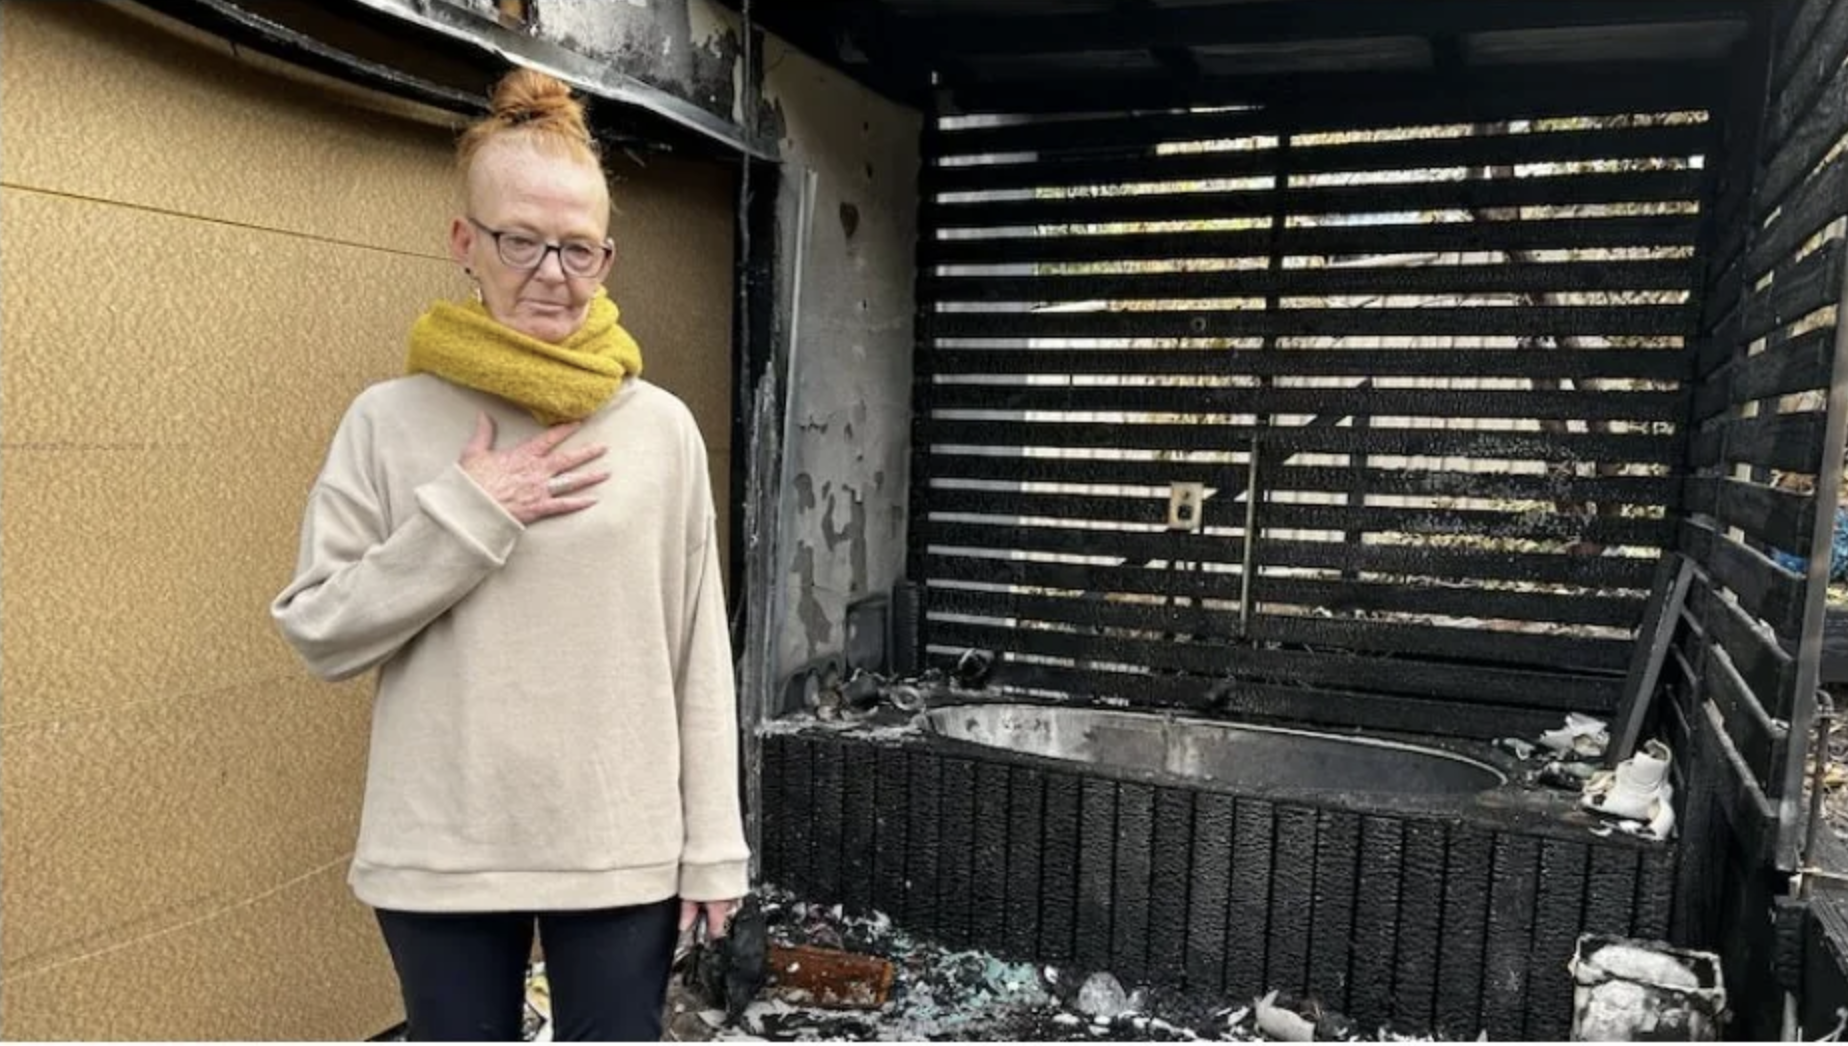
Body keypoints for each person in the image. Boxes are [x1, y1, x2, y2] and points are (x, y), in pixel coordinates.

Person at [271, 68, 748, 1041]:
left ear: (607, 258)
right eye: (519, 241)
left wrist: (715, 847)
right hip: (443, 847)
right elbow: (320, 628)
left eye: (577, 248)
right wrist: (466, 514)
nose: (551, 272)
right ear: (465, 242)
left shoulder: (661, 430)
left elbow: (698, 651)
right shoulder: (388, 421)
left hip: (617, 844)